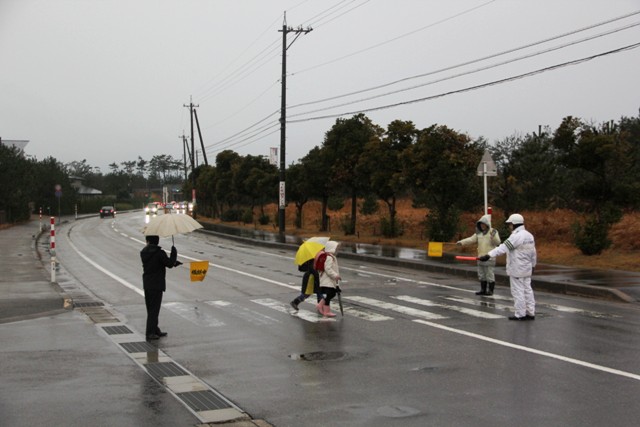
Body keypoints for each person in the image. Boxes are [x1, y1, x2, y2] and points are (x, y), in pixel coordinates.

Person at [479, 213, 537, 321]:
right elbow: (533, 253)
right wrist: (533, 265)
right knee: (527, 290)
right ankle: (530, 312)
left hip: (517, 268)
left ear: (514, 224)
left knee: (518, 291)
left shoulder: (516, 236)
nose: (509, 226)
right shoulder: (529, 235)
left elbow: (504, 247)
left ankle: (520, 314)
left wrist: (488, 255)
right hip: (527, 268)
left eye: (510, 224)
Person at [140, 235, 182, 340]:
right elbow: (169, 264)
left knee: (150, 308)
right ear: (157, 241)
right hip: (157, 283)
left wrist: (172, 262)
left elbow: (157, 263)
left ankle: (155, 329)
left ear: (148, 240)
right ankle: (150, 333)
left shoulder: (144, 252)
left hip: (147, 283)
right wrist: (174, 253)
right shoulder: (159, 253)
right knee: (154, 309)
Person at [457, 214, 501, 295]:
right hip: (480, 257)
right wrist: (461, 242)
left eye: (483, 224)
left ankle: (490, 291)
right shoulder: (478, 233)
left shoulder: (493, 231)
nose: (482, 226)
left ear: (487, 224)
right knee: (481, 274)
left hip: (489, 258)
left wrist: (493, 236)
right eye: (481, 224)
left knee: (489, 275)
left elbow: (498, 242)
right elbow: (471, 239)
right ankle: (483, 290)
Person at [316, 241, 341, 318]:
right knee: (331, 294)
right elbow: (328, 269)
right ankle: (322, 307)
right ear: (331, 248)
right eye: (336, 248)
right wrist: (335, 275)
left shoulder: (330, 256)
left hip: (329, 279)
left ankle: (325, 310)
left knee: (331, 294)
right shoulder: (329, 257)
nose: (337, 250)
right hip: (328, 280)